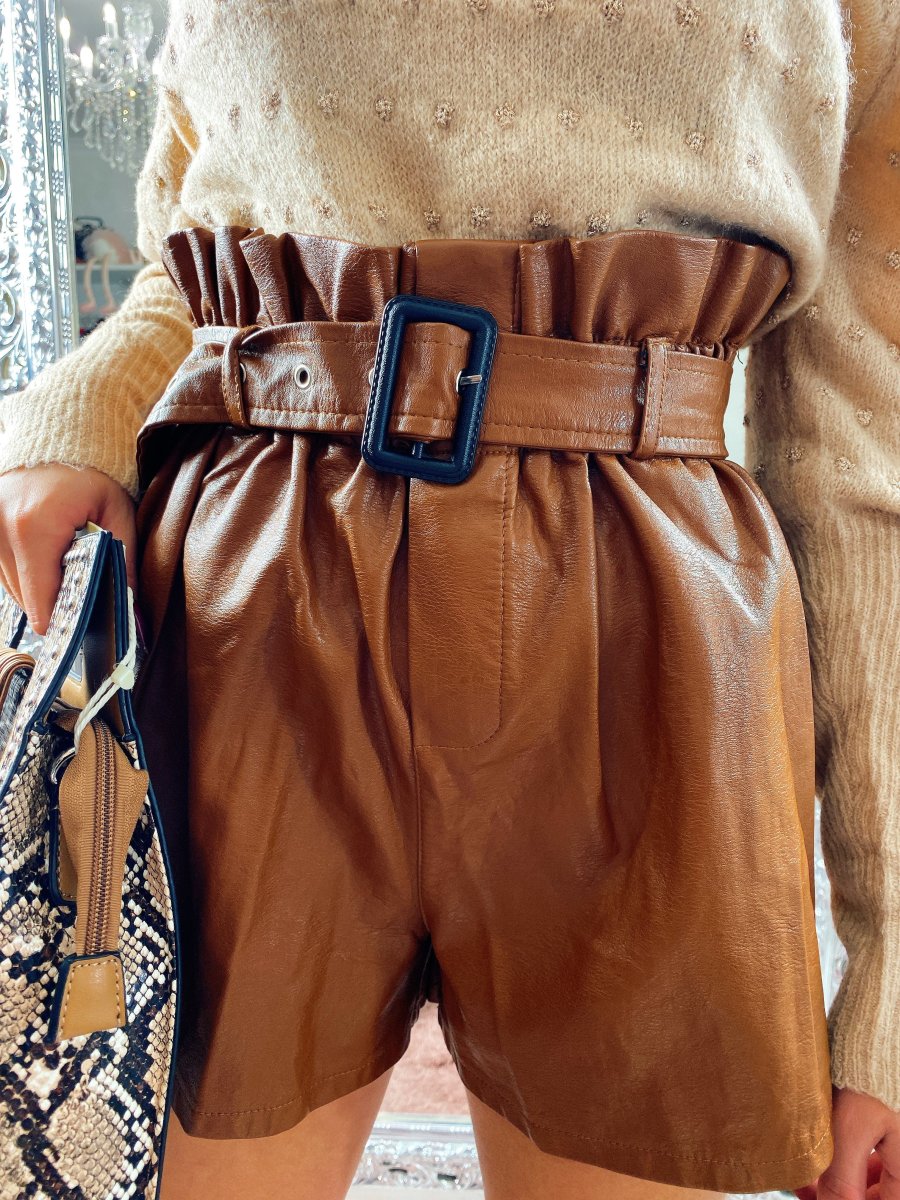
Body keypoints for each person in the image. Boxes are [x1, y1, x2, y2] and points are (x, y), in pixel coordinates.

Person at [0, 3, 897, 1199]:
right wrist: (78, 412)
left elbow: (859, 448)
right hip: (246, 624)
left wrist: (889, 985)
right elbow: (192, 249)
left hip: (651, 653)